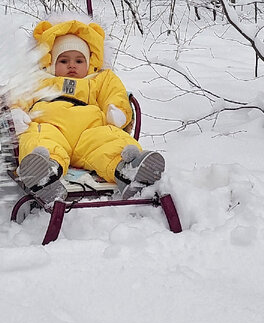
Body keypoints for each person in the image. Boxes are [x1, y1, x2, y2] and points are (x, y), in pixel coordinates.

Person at [13, 19, 164, 203]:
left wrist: (117, 110)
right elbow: (19, 92)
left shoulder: (98, 79)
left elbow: (114, 93)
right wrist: (17, 110)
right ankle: (46, 172)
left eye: (79, 60)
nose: (72, 65)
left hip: (89, 131)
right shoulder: (40, 79)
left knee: (111, 139)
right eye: (63, 60)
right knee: (39, 138)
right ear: (51, 62)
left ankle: (128, 168)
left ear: (89, 62)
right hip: (52, 126)